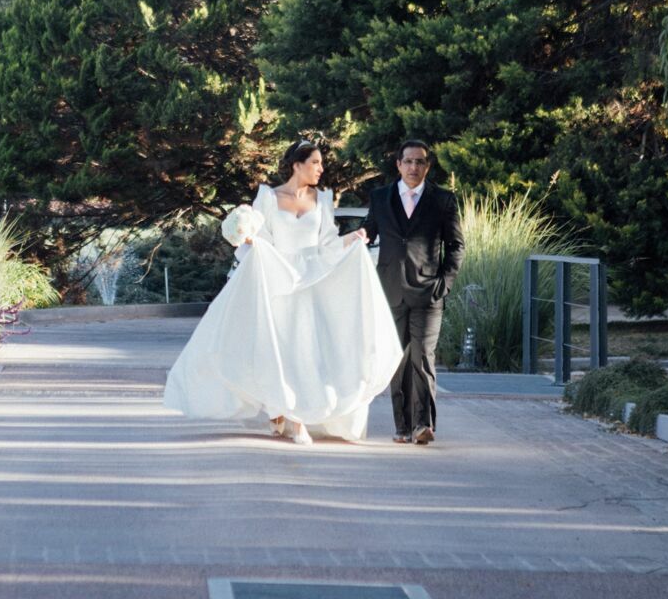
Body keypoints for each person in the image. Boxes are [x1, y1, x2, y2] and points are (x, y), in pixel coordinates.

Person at [162, 135, 400, 444]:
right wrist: (248, 239)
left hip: (310, 282)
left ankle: (291, 412)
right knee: (279, 351)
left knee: (306, 353)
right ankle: (288, 414)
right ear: (297, 165)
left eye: (321, 163)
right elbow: (262, 241)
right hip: (277, 279)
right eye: (315, 163)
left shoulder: (323, 199)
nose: (320, 168)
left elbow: (326, 244)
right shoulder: (268, 197)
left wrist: (351, 240)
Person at [362, 138, 463, 446]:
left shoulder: (443, 200)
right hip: (390, 291)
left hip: (428, 293)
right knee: (397, 360)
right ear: (398, 165)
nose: (413, 167)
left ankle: (423, 424)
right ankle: (403, 426)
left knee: (422, 358)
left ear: (427, 166)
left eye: (420, 162)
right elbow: (368, 233)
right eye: (408, 161)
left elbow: (456, 246)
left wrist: (444, 284)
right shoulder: (380, 197)